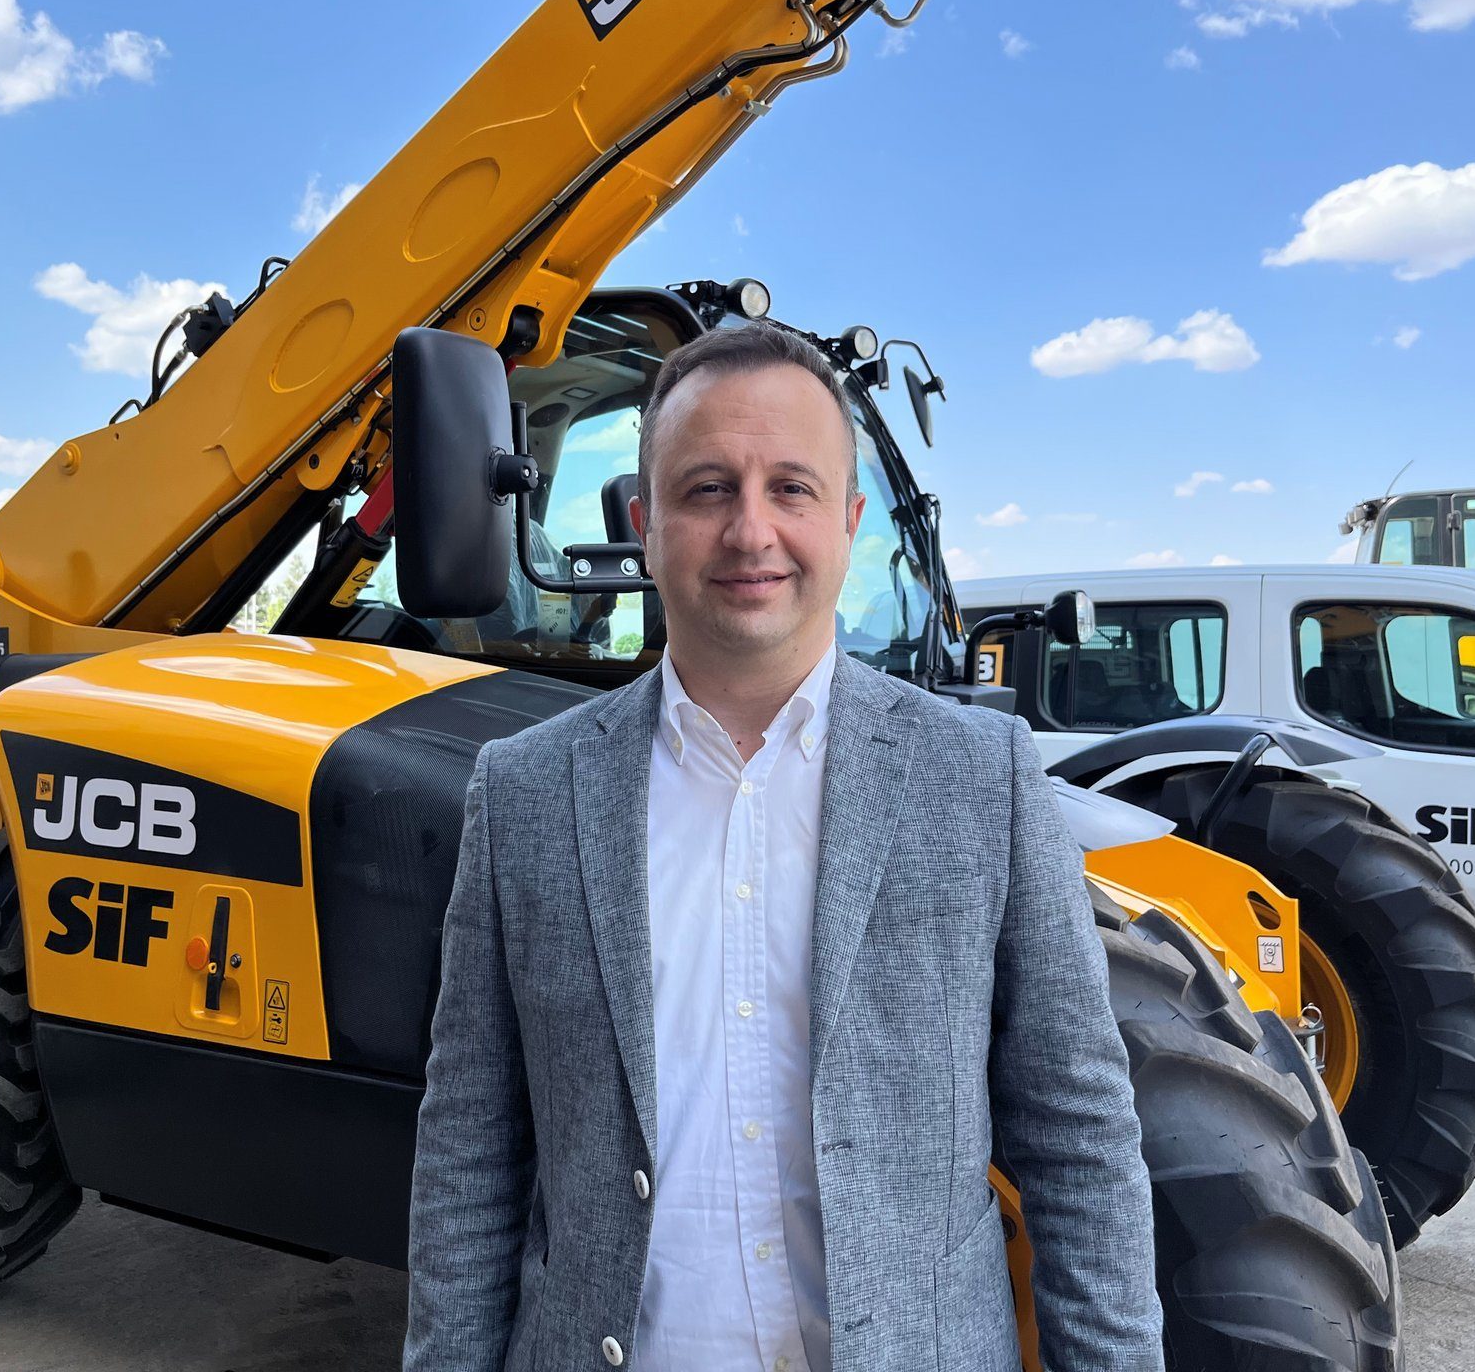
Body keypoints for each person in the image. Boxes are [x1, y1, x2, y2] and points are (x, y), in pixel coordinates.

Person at [404, 322, 1162, 1371]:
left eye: (791, 489)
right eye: (707, 488)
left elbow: (1079, 1136)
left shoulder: (981, 779)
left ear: (849, 522)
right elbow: (470, 1153)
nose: (750, 530)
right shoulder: (524, 791)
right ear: (644, 523)